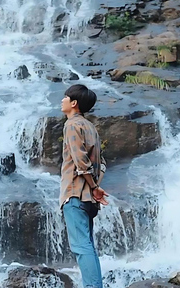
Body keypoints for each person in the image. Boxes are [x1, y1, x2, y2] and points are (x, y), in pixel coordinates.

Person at [60, 84, 109, 288]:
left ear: (74, 103)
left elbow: (80, 161)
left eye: (65, 97)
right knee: (88, 246)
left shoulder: (71, 125)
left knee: (81, 247)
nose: (61, 101)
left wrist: (93, 186)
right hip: (88, 198)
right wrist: (96, 187)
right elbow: (102, 163)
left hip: (75, 194)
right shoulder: (91, 128)